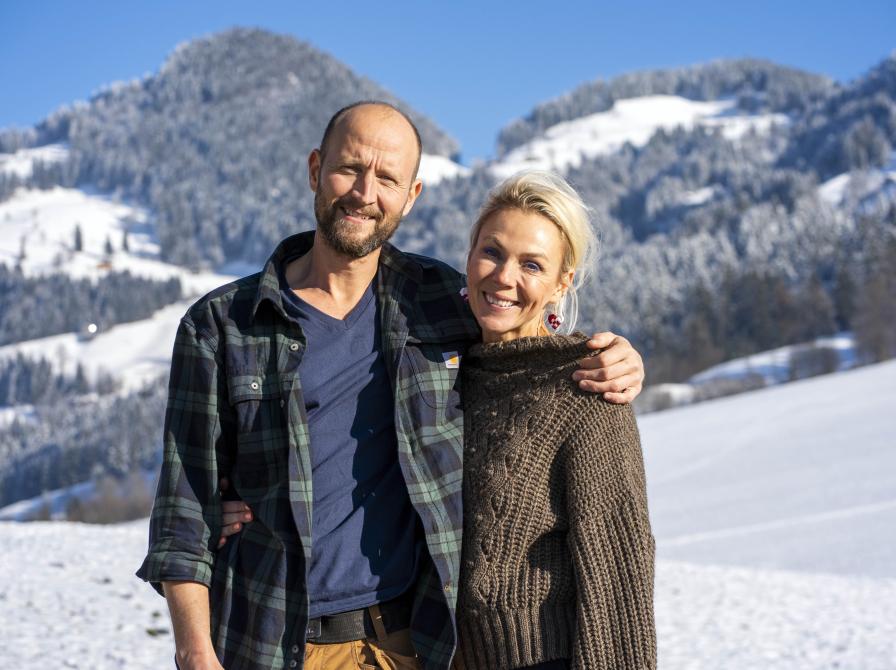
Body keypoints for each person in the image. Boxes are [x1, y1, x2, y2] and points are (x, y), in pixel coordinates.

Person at [138, 101, 646, 670]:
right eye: (350, 168)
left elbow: (521, 332)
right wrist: (195, 651)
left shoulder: (437, 302)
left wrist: (619, 359)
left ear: (412, 195)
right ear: (314, 170)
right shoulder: (222, 325)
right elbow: (184, 512)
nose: (364, 192)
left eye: (387, 178)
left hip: (413, 643)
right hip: (276, 642)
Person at [452, 171, 655, 669]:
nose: (503, 277)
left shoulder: (586, 386)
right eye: (492, 252)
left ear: (561, 283)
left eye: (532, 265)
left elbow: (619, 568)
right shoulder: (443, 369)